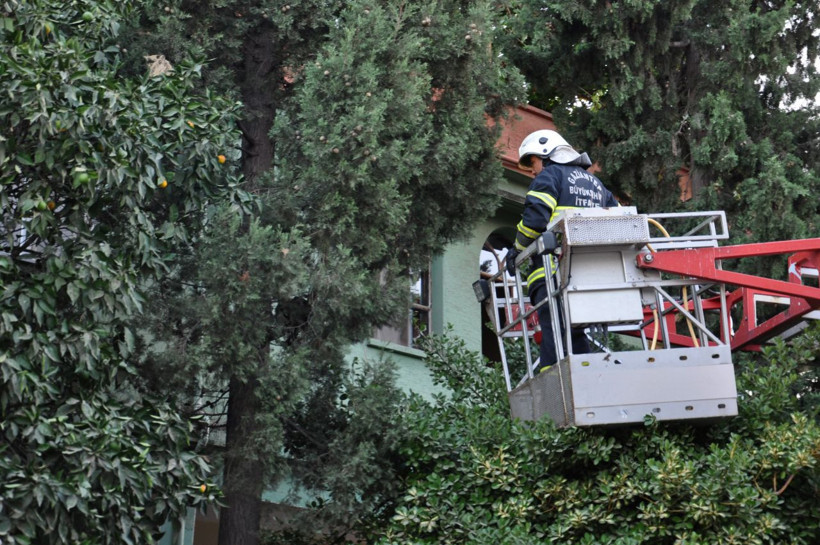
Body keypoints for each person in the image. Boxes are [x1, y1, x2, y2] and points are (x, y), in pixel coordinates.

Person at [506, 129, 619, 372]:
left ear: (547, 155)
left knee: (553, 334)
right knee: (575, 332)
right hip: (591, 276)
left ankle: (555, 386)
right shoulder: (598, 186)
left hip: (551, 274)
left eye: (533, 162)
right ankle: (586, 375)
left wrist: (516, 249)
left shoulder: (550, 177)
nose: (533, 171)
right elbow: (617, 222)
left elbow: (535, 221)